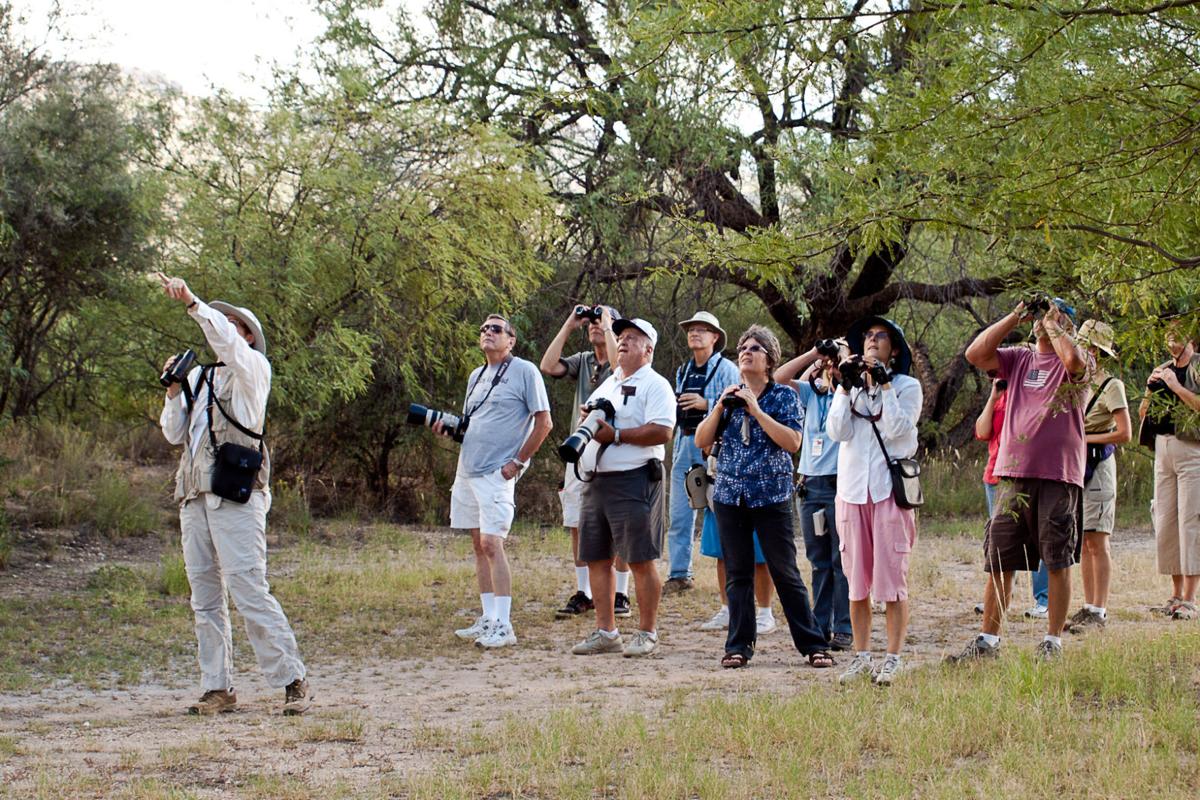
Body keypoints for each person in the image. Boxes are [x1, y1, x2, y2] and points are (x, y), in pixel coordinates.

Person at [155, 273, 311, 716]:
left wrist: (193, 303)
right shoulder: (201, 377)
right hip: (195, 496)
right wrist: (172, 388)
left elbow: (226, 343)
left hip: (236, 496)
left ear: (246, 336)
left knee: (247, 586)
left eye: (230, 322)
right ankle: (217, 688)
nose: (220, 325)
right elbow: (173, 433)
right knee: (204, 595)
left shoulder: (253, 370)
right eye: (220, 319)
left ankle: (292, 678)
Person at [948, 297, 1091, 663]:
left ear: (1067, 324)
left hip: (1058, 474)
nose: (1043, 322)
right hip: (1012, 474)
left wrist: (1054, 324)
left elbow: (1073, 361)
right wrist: (1016, 314)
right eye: (1042, 317)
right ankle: (987, 641)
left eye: (1054, 316)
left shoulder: (1081, 359)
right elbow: (976, 354)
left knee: (1056, 558)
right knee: (1000, 557)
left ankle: (1052, 642)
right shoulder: (1020, 358)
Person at [694, 325, 833, 670]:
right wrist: (718, 409)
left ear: (770, 359)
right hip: (729, 495)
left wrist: (756, 411)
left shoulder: (783, 396)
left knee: (785, 572)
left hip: (770, 496)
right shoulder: (727, 395)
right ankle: (739, 645)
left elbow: (792, 442)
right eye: (742, 347)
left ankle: (814, 644)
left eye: (755, 348)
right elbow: (701, 441)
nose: (746, 351)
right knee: (737, 574)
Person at [570, 318, 676, 657]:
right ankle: (606, 631)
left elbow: (663, 431)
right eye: (621, 337)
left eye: (632, 338)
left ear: (648, 349)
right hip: (597, 479)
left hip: (634, 478)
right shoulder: (609, 383)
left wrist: (615, 435)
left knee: (640, 558)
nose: (623, 342)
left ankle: (647, 632)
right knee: (596, 557)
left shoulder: (655, 384)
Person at [826, 317, 923, 685]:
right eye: (867, 336)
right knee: (856, 581)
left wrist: (884, 384)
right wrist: (843, 387)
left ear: (893, 349)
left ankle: (893, 657)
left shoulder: (907, 386)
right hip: (852, 492)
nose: (871, 341)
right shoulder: (851, 387)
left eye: (880, 336)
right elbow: (838, 431)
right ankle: (862, 656)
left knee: (892, 579)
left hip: (888, 492)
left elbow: (899, 431)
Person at [446, 315, 553, 649]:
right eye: (483, 329)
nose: (487, 333)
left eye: (495, 329)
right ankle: (488, 617)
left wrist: (518, 461)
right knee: (478, 545)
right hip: (468, 469)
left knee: (493, 543)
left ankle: (505, 625)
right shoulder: (476, 376)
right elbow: (469, 423)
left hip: (497, 472)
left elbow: (544, 422)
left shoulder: (525, 371)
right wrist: (445, 425)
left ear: (511, 340)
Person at [539, 304, 634, 620]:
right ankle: (585, 592)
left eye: (603, 319)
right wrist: (569, 324)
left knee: (618, 523)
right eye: (593, 320)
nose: (596, 323)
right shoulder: (584, 361)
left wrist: (609, 326)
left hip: (613, 448)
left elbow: (619, 368)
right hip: (579, 451)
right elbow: (548, 365)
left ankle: (620, 592)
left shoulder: (625, 359)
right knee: (577, 521)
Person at [774, 339, 853, 651]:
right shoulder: (812, 393)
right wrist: (815, 357)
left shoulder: (851, 392)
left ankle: (845, 627)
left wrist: (845, 360)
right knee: (818, 560)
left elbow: (851, 383)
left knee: (841, 560)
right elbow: (779, 379)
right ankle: (821, 625)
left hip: (841, 482)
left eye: (837, 358)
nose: (833, 364)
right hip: (810, 484)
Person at [663, 311, 740, 595]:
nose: (695, 334)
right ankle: (679, 574)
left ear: (715, 337)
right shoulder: (683, 370)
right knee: (680, 513)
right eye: (691, 329)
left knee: (720, 512)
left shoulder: (727, 369)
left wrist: (705, 403)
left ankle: (732, 569)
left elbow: (736, 405)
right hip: (684, 443)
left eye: (702, 330)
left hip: (715, 450)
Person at [1065, 320, 1131, 632]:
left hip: (1099, 468)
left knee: (1099, 539)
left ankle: (1100, 609)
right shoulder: (1075, 382)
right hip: (1078, 466)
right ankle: (1088, 605)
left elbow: (1124, 433)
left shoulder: (1111, 385)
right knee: (1086, 539)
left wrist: (1084, 439)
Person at [1139, 320, 1200, 620]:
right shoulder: (1163, 368)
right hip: (1162, 449)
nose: (1170, 339)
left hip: (1192, 449)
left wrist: (1176, 387)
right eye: (1166, 335)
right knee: (1166, 521)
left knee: (1191, 520)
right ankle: (1175, 595)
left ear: (1190, 337)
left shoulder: (1197, 367)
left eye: (1176, 333)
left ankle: (1190, 599)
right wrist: (1150, 390)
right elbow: (1142, 413)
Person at [695, 510, 777, 635]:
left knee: (760, 555)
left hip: (758, 499)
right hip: (722, 496)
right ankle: (728, 610)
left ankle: (765, 613)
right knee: (723, 553)